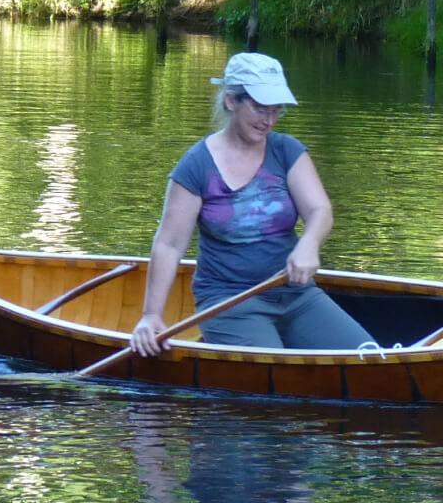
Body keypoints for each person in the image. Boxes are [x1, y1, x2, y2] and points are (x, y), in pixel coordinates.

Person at [130, 52, 372, 356]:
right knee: (272, 370)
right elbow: (169, 245)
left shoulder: (287, 151)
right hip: (229, 301)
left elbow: (319, 210)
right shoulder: (196, 166)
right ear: (232, 101)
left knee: (365, 354)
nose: (269, 121)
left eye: (276, 110)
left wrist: (309, 243)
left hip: (295, 293)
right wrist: (151, 316)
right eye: (260, 109)